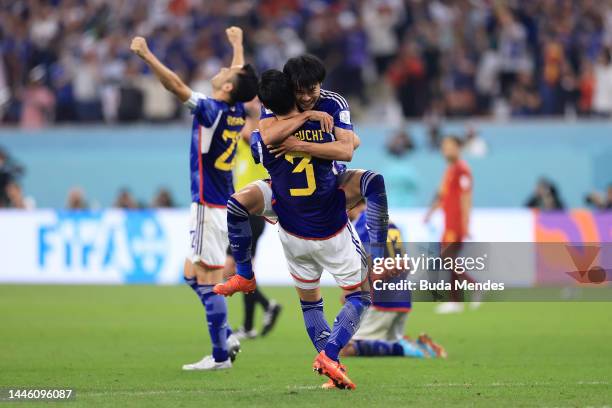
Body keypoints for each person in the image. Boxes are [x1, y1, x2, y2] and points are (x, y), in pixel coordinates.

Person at [223, 70, 371, 389]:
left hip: (288, 220)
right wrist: (317, 123)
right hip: (325, 217)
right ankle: (330, 355)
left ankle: (330, 363)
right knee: (360, 295)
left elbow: (260, 141)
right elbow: (352, 144)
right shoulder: (320, 121)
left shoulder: (266, 138)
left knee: (309, 302)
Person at [130, 26, 258, 371]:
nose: (221, 70)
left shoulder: (212, 110)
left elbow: (174, 85)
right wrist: (238, 45)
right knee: (192, 274)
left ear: (228, 87)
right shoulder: (237, 111)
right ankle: (226, 336)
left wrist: (146, 54)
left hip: (209, 206)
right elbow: (243, 83)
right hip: (216, 204)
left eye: (226, 71)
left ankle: (219, 356)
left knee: (207, 280)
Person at [214, 54, 389, 297]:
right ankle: (244, 276)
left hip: (324, 187)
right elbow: (264, 138)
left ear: (320, 85)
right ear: (289, 88)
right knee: (236, 203)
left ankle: (378, 257)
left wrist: (301, 145)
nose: (306, 97)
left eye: (312, 90)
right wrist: (307, 118)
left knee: (373, 182)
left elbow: (349, 147)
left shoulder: (333, 103)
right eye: (300, 92)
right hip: (284, 190)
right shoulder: (275, 106)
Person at [341, 200, 446, 359]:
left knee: (346, 349)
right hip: (402, 297)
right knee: (383, 340)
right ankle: (403, 344)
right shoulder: (388, 221)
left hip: (381, 301)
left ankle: (414, 349)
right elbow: (403, 262)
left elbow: (365, 265)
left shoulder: (363, 224)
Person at [225, 101, 282, 340]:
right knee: (243, 270)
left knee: (231, 270)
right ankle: (248, 325)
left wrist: (246, 110)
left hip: (251, 213)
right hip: (245, 212)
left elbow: (248, 132)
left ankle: (268, 305)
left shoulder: (257, 141)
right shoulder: (240, 146)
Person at [424, 136, 475, 314]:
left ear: (458, 148)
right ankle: (457, 301)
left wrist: (466, 223)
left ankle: (474, 286)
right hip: (448, 224)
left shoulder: (462, 170)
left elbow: (466, 198)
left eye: (449, 146)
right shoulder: (450, 170)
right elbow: (442, 196)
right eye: (443, 147)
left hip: (456, 224)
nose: (445, 150)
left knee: (447, 258)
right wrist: (430, 213)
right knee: (450, 260)